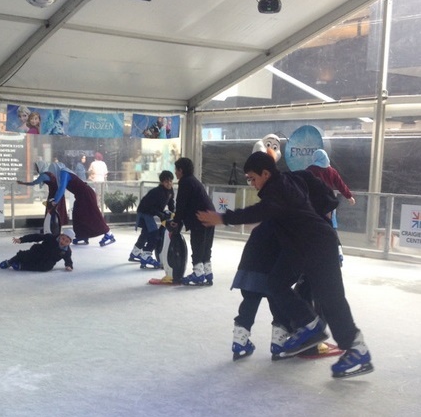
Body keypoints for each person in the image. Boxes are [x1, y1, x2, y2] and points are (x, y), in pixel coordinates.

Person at [197, 152, 373, 378]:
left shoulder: (278, 190)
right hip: (300, 248)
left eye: (253, 178)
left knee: (330, 298)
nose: (252, 184)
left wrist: (222, 218)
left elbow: (257, 212)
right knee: (275, 283)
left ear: (266, 173)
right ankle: (310, 323)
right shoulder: (286, 182)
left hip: (318, 243)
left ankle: (356, 349)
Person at [172, 157, 215, 285]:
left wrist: (176, 220)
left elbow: (181, 204)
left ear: (181, 170)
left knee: (197, 245)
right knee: (206, 246)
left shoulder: (185, 182)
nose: (175, 173)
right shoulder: (194, 181)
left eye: (176, 170)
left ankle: (198, 273)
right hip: (211, 217)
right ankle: (207, 272)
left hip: (199, 219)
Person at [51, 168, 115, 246]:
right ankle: (82, 234)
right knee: (78, 214)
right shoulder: (62, 175)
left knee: (93, 214)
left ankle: (108, 233)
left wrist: (55, 201)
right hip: (81, 196)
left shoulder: (64, 173)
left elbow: (62, 189)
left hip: (86, 194)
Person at [129, 170, 174, 269]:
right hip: (145, 212)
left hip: (150, 212)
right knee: (154, 234)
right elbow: (149, 206)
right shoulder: (157, 192)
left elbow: (171, 203)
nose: (169, 183)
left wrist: (173, 212)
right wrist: (160, 214)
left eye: (171, 181)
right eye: (166, 181)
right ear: (162, 182)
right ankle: (146, 255)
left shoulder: (170, 191)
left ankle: (135, 252)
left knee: (145, 233)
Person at [307, 149, 355, 228]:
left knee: (314, 224)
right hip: (328, 201)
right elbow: (340, 184)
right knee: (328, 224)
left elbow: (303, 183)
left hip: (314, 201)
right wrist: (349, 196)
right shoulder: (332, 171)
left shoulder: (310, 170)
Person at [17, 162, 68, 229]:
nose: (36, 170)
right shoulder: (50, 174)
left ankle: (52, 228)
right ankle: (56, 227)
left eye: (37, 168)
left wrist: (22, 183)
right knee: (57, 211)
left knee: (51, 211)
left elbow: (34, 183)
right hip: (58, 194)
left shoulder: (44, 175)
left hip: (53, 195)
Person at [0, 228, 74, 272]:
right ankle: (10, 262)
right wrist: (22, 240)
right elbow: (36, 237)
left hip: (47, 261)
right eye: (63, 239)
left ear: (70, 243)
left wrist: (69, 265)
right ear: (60, 236)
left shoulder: (66, 251)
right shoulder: (51, 237)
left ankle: (22, 266)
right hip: (38, 252)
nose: (63, 242)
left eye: (67, 241)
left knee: (47, 267)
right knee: (24, 255)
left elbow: (68, 259)